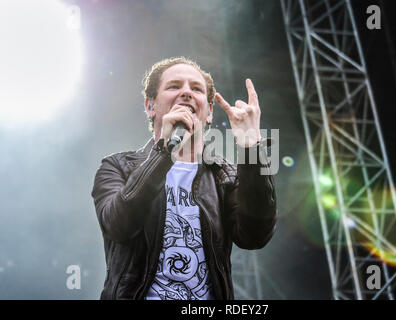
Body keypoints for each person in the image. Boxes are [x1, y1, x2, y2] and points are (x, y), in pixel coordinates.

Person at [91, 57, 277, 300]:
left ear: (209, 112)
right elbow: (118, 225)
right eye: (174, 86)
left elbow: (255, 236)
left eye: (196, 89)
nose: (187, 92)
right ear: (150, 106)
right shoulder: (118, 167)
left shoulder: (224, 175)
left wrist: (252, 148)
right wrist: (164, 152)